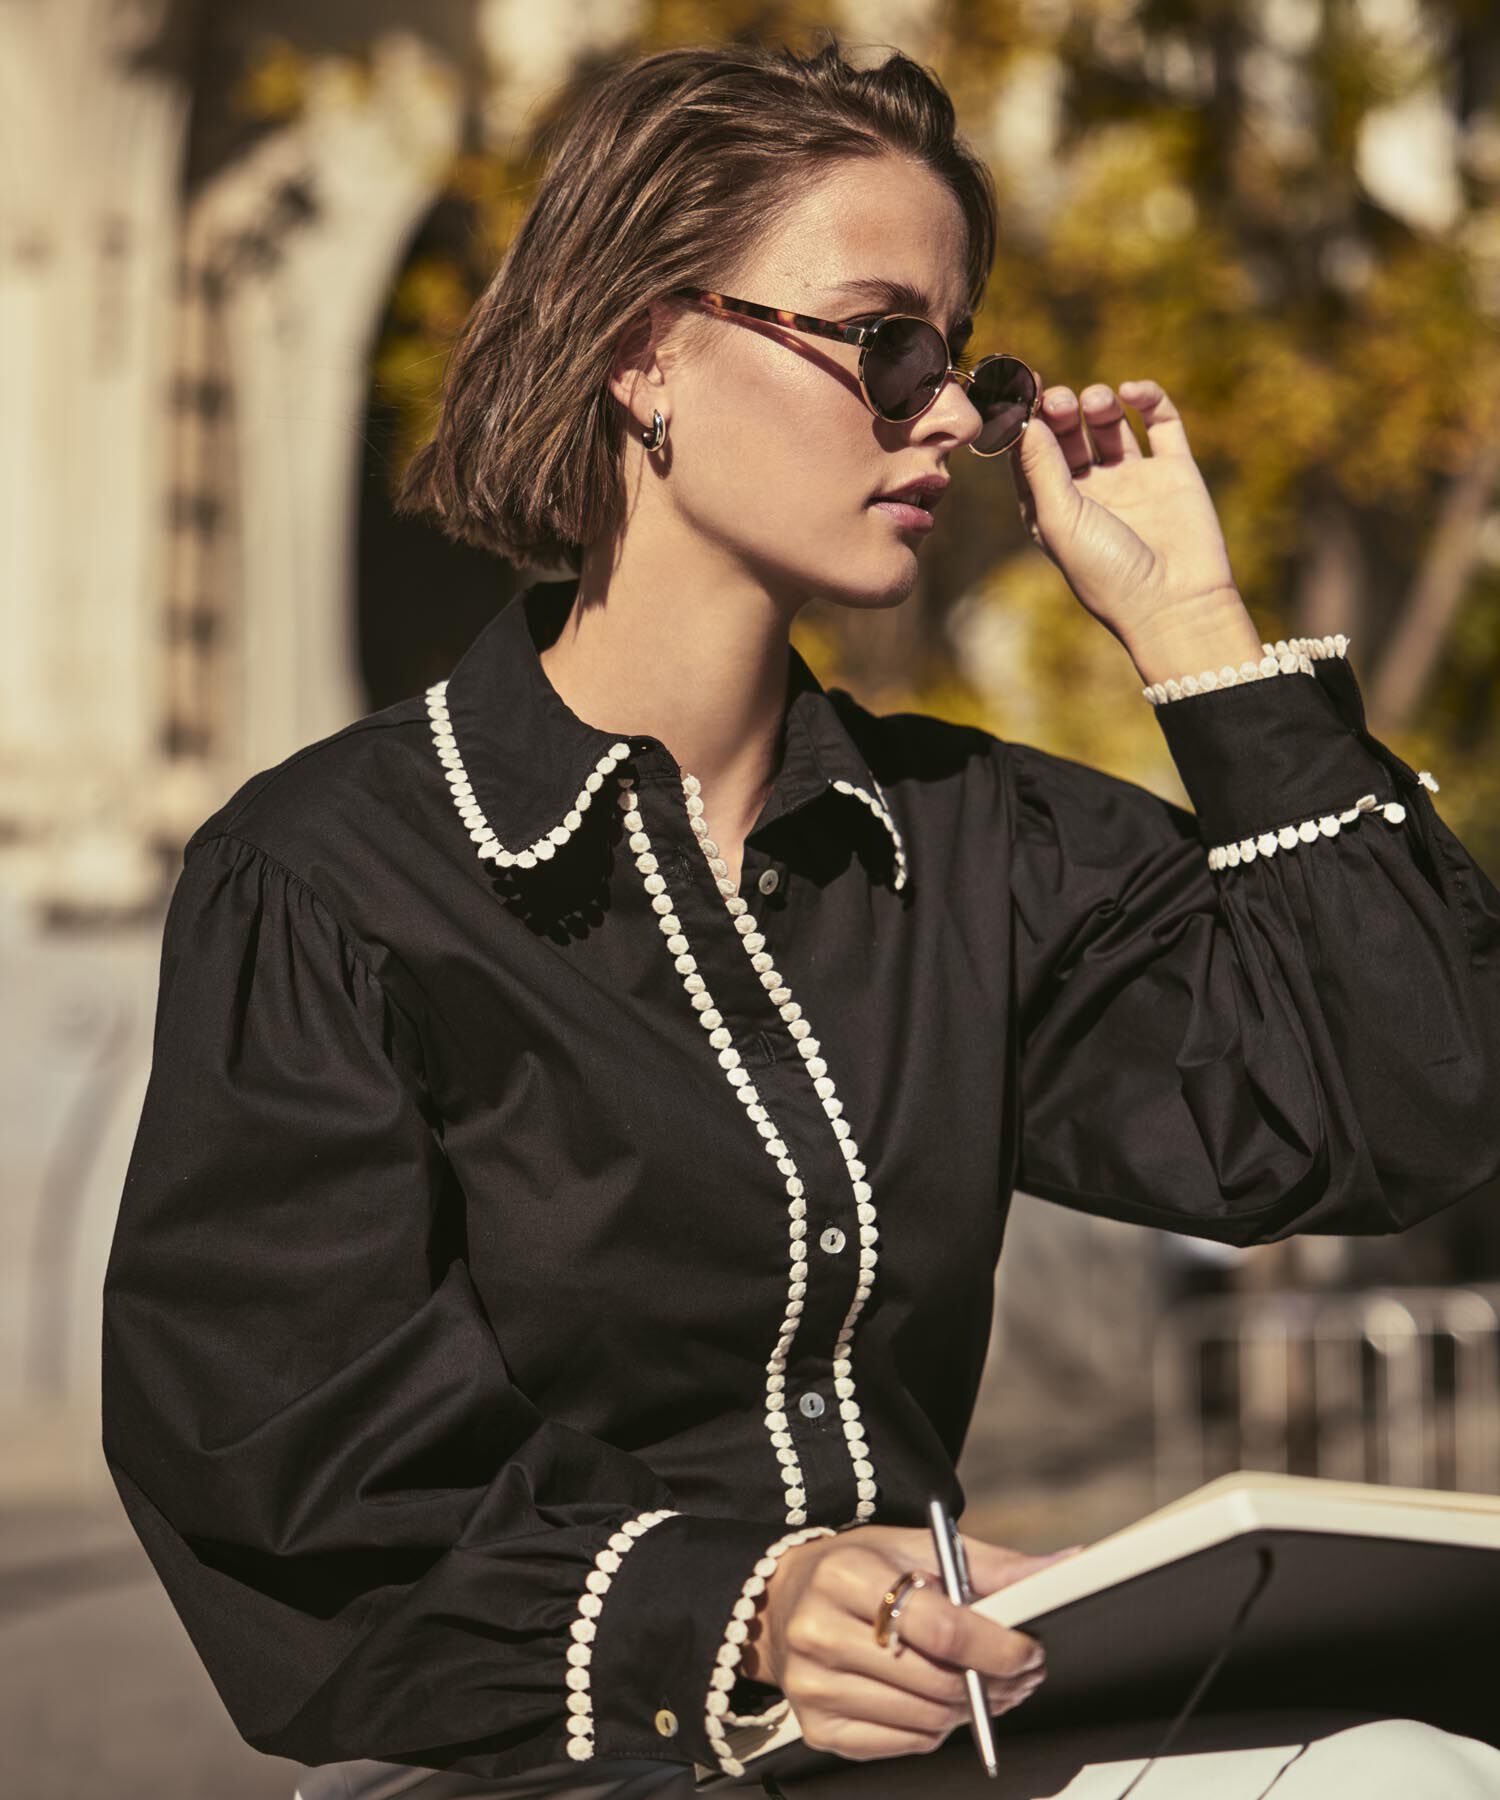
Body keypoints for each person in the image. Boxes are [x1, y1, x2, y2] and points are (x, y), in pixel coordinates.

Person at [99, 34, 1500, 1800]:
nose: (949, 417)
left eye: (960, 358)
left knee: (1410, 1771)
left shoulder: (975, 844)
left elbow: (1409, 1100)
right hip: (532, 1755)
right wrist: (744, 1606)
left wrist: (1197, 630)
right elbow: (277, 1463)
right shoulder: (332, 877)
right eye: (880, 343)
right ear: (643, 350)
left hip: (928, 1736)